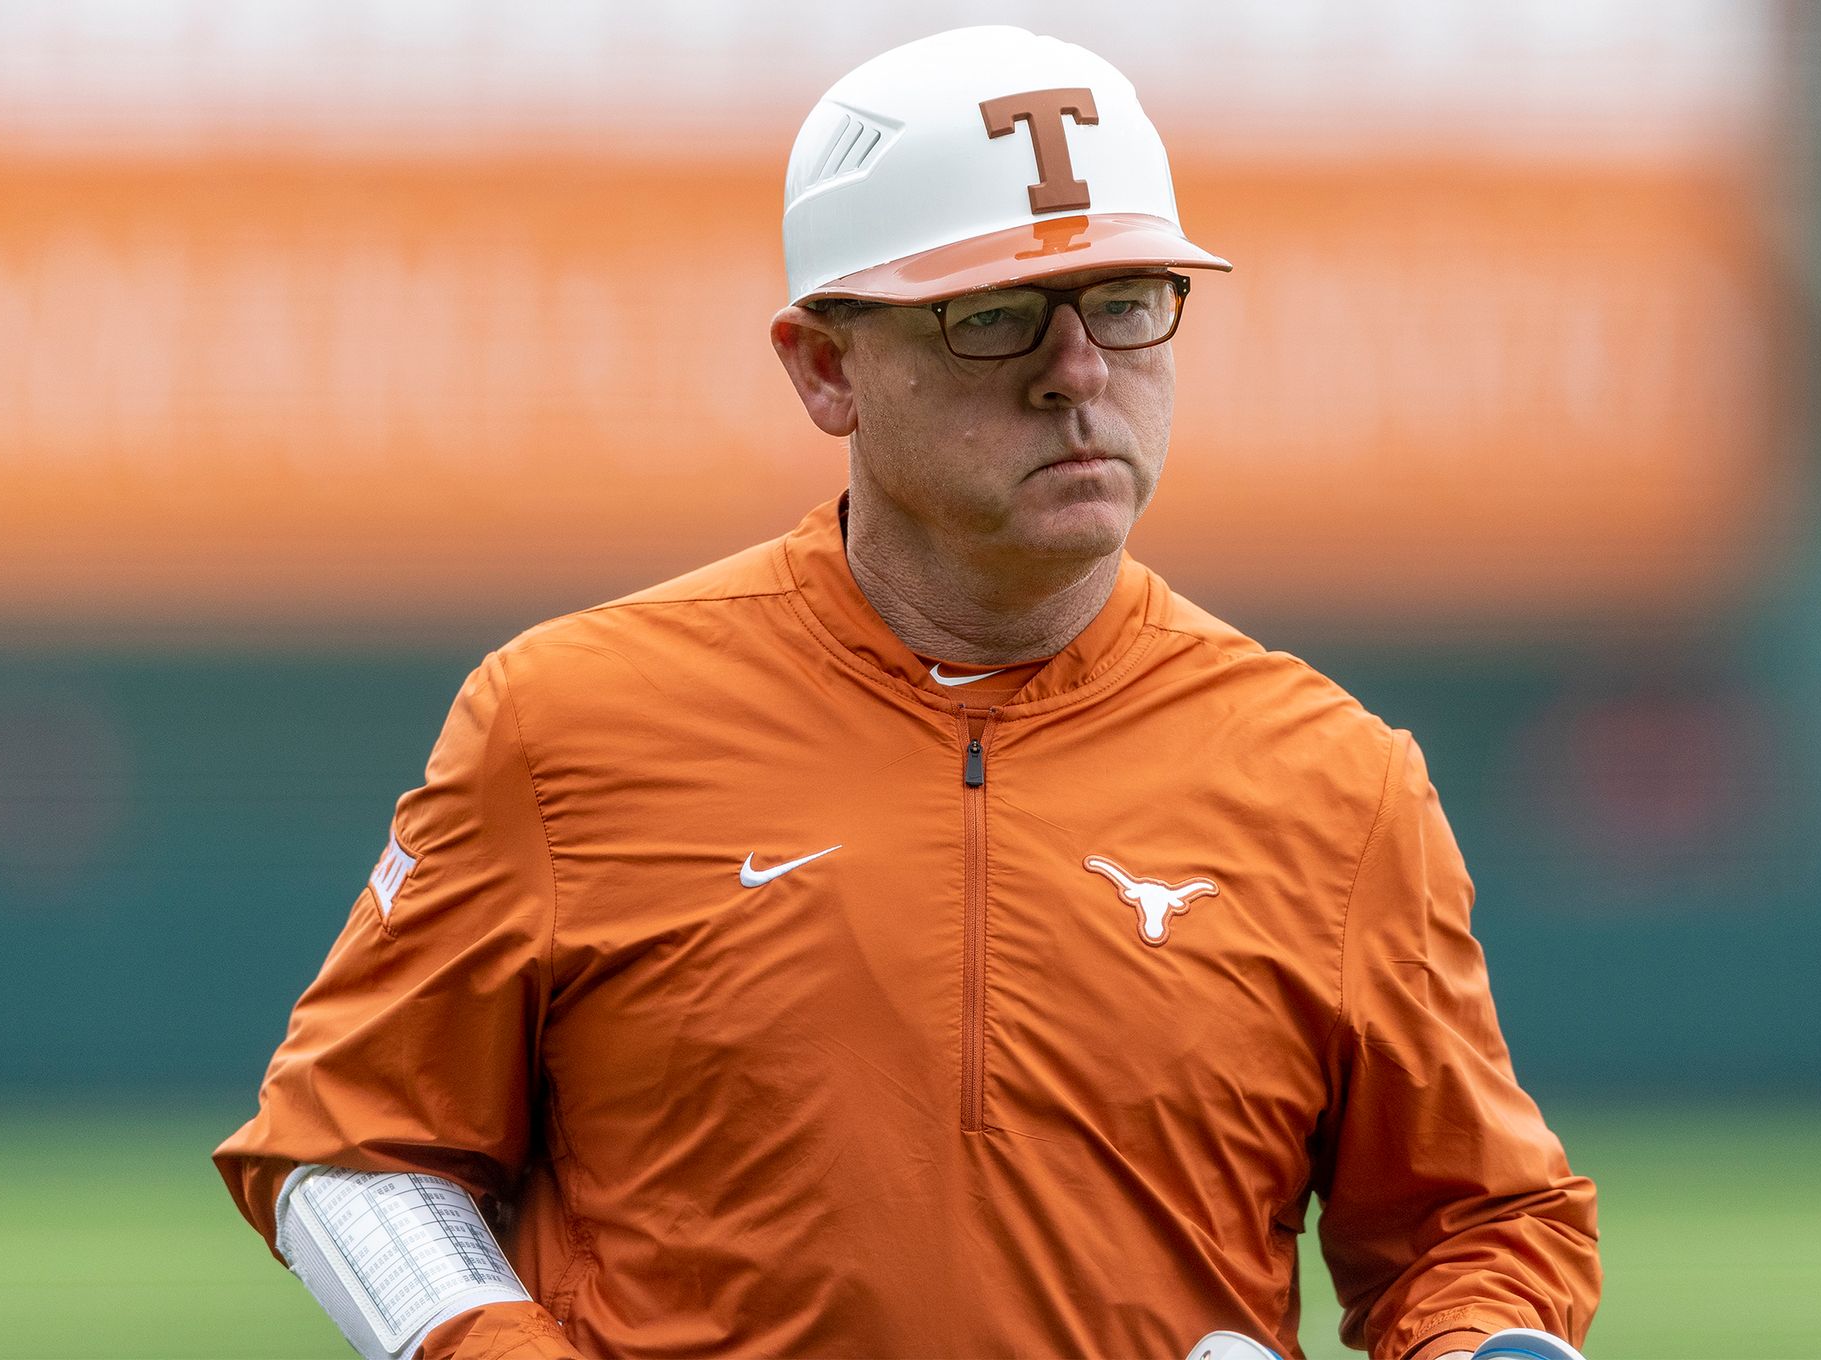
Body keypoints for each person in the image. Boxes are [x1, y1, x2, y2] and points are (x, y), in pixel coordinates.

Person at [216, 26, 1599, 1360]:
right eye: (993, 317)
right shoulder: (565, 719)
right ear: (827, 367)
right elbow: (353, 1146)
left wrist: (1488, 1347)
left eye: (1126, 303)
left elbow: (1467, 1221)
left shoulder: (1336, 776)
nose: (1079, 374)